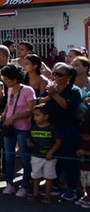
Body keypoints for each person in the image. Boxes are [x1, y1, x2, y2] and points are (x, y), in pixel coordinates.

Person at [38, 62, 82, 201]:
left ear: (68, 77)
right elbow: (40, 102)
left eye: (60, 74)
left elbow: (68, 106)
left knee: (68, 158)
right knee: (53, 158)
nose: (56, 77)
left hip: (68, 128)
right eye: (55, 73)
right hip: (52, 127)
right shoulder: (51, 87)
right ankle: (55, 185)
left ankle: (71, 188)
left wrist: (55, 95)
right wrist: (49, 95)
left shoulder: (74, 90)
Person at [0, 64, 36, 196]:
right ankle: (9, 184)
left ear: (15, 79)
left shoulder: (28, 90)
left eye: (6, 79)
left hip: (23, 128)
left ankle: (25, 185)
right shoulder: (9, 89)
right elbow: (9, 105)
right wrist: (4, 114)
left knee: (25, 157)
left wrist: (15, 117)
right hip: (9, 127)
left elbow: (32, 111)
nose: (4, 81)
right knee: (8, 156)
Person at [27, 104, 61, 202]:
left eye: (38, 115)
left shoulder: (52, 128)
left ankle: (47, 195)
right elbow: (29, 139)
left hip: (49, 158)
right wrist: (29, 143)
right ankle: (35, 194)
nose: (35, 117)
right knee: (35, 175)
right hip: (36, 156)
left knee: (49, 176)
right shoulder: (33, 127)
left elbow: (58, 141)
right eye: (34, 115)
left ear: (46, 116)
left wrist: (51, 152)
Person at [76, 121, 90, 208]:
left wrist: (86, 153)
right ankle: (87, 196)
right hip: (84, 166)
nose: (85, 138)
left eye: (87, 136)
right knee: (85, 183)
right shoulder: (81, 141)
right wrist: (79, 152)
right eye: (83, 136)